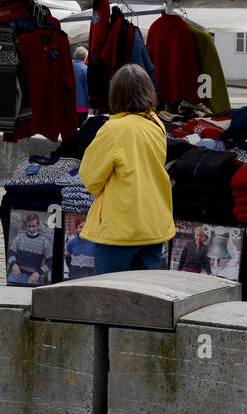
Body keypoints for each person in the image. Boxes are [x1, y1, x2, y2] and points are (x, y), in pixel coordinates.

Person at [78, 64, 176, 274]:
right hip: (153, 224)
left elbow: (90, 177)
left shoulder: (113, 129)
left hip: (119, 228)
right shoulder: (157, 124)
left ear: (116, 94)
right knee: (144, 297)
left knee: (109, 296)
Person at [7, 212, 51, 285]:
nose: (31, 229)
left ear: (38, 225)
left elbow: (50, 260)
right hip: (18, 273)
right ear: (26, 226)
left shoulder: (44, 241)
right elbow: (11, 252)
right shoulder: (20, 237)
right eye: (29, 226)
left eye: (33, 226)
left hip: (33, 276)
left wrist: (39, 272)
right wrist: (14, 264)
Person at [73, 45, 90, 127]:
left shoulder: (68, 68)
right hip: (82, 106)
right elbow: (88, 89)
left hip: (69, 106)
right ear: (85, 57)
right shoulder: (86, 69)